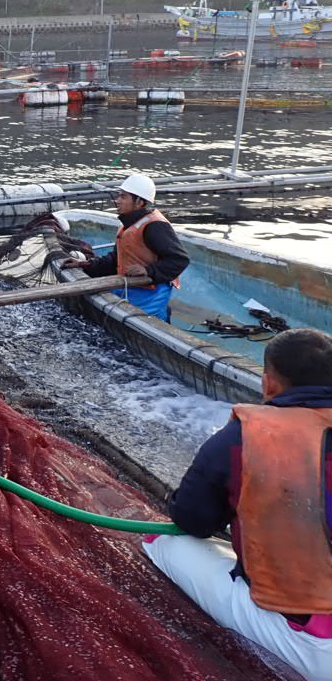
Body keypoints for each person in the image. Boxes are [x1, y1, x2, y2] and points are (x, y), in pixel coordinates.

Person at [143, 328, 332, 681]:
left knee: (165, 543)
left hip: (318, 646)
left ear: (269, 383)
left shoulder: (243, 437)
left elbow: (192, 520)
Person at [60, 173, 188, 322]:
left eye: (123, 197)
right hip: (130, 289)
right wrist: (86, 265)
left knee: (147, 323)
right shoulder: (129, 225)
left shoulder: (155, 226)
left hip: (150, 293)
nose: (117, 201)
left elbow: (179, 260)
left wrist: (148, 271)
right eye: (118, 196)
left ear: (140, 202)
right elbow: (116, 260)